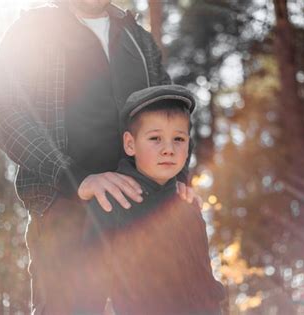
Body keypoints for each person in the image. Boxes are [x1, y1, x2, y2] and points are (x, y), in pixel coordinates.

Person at [0, 1, 198, 313]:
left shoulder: (137, 37)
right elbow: (5, 116)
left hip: (143, 214)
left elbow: (168, 114)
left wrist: (178, 179)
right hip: (65, 215)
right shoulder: (32, 31)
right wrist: (75, 178)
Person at [83, 85, 226, 314]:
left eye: (178, 139)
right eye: (155, 138)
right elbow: (90, 287)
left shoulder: (188, 206)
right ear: (130, 144)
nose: (168, 149)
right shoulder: (113, 202)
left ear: (188, 145)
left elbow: (205, 280)